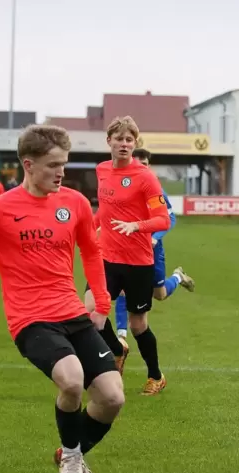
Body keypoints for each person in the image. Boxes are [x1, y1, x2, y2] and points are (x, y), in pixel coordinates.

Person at [0, 125, 124, 473]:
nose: (61, 172)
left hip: (72, 312)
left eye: (64, 164)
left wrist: (100, 302)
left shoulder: (75, 203)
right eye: (53, 165)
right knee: (71, 381)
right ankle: (71, 458)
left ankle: (73, 450)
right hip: (30, 319)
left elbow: (91, 250)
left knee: (113, 397)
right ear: (28, 164)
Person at [84, 116, 171, 396]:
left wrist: (137, 225)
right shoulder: (101, 170)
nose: (124, 144)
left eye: (129, 139)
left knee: (137, 324)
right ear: (108, 141)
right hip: (105, 257)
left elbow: (163, 220)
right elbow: (105, 210)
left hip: (138, 262)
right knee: (91, 314)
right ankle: (115, 349)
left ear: (135, 143)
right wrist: (90, 227)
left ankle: (156, 376)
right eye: (119, 138)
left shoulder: (145, 177)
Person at [114, 148, 195, 341]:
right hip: (129, 248)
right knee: (124, 288)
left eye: (145, 164)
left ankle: (177, 277)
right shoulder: (122, 187)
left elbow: (170, 218)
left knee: (160, 294)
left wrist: (155, 237)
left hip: (152, 249)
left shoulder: (155, 189)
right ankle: (121, 337)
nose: (141, 168)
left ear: (149, 166)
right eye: (138, 164)